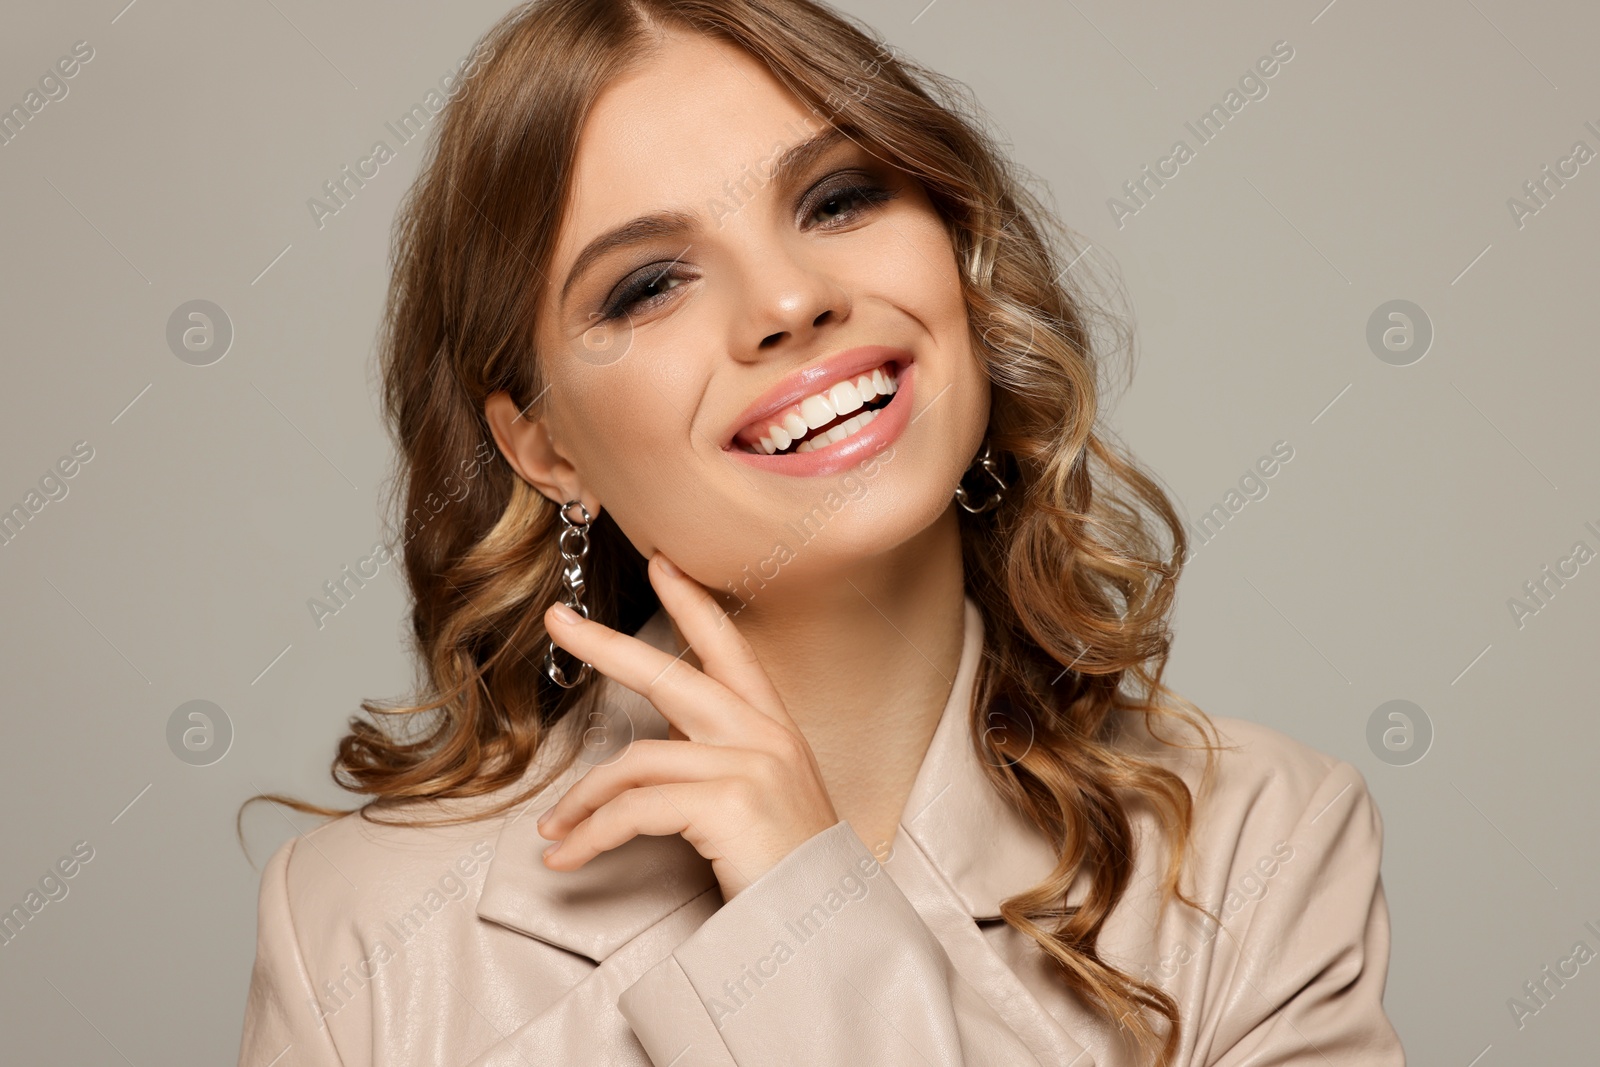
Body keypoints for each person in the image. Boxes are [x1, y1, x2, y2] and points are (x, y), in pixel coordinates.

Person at [236, 0, 1406, 1063]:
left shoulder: (1261, 844)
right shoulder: (360, 932)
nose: (791, 301)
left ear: (954, 247)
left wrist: (805, 908)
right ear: (544, 445)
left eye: (836, 199)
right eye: (648, 283)